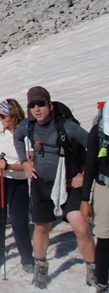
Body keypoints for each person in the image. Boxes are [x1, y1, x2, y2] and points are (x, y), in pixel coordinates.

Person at [14, 86, 95, 289]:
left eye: (41, 104)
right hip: (42, 184)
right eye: (32, 105)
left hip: (69, 184)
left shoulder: (67, 126)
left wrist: (84, 176)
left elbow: (93, 147)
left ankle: (93, 269)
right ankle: (41, 267)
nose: (37, 109)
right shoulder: (27, 126)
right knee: (42, 226)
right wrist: (24, 161)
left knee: (82, 228)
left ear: (50, 105)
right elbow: (16, 136)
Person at [0, 99, 34, 273]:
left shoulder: (26, 132)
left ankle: (27, 258)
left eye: (2, 115)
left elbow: (29, 162)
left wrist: (9, 166)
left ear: (13, 114)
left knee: (19, 221)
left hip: (18, 179)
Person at [82, 97, 109, 292]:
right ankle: (102, 282)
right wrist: (85, 199)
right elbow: (90, 165)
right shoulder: (98, 132)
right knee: (105, 236)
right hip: (104, 187)